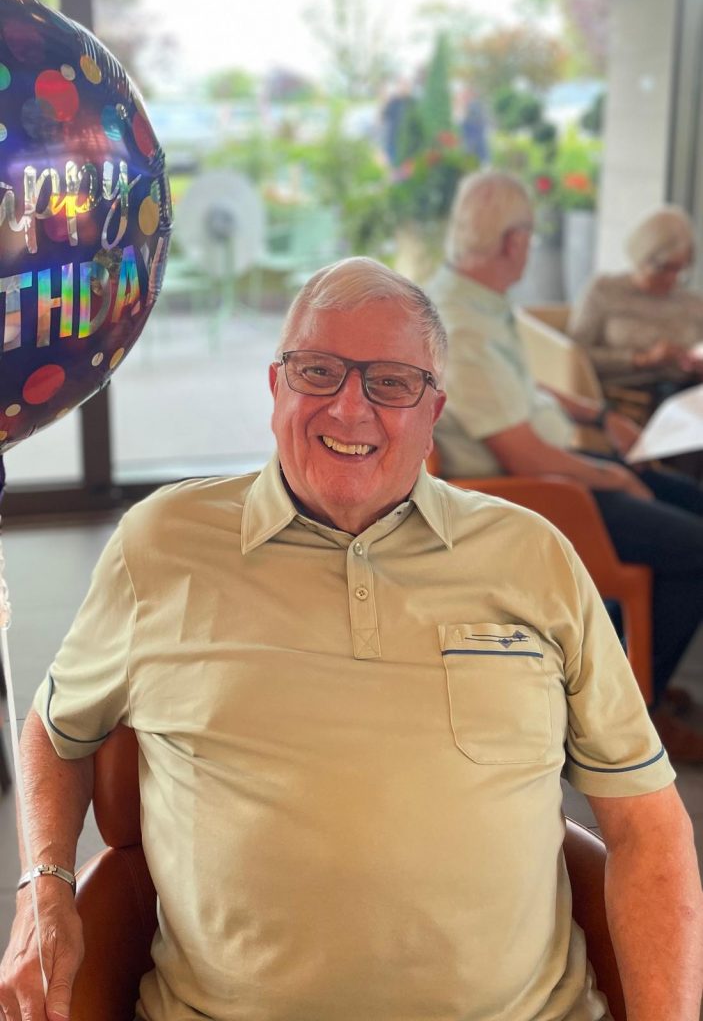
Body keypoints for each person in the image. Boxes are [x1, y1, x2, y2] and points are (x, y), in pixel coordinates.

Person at [1, 257, 702, 1021]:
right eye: (318, 371)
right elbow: (57, 730)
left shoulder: (531, 556)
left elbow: (646, 824)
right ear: (276, 387)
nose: (347, 408)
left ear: (434, 413)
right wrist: (43, 884)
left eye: (391, 383)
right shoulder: (161, 544)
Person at [426, 170, 703, 763]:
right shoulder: (463, 323)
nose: (530, 246)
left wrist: (600, 415)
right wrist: (615, 476)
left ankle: (632, 670)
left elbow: (524, 389)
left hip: (555, 469)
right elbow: (522, 453)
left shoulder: (475, 299)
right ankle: (630, 711)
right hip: (531, 491)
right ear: (512, 241)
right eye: (529, 235)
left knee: (687, 501)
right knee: (693, 548)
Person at [568, 205, 703, 395]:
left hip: (683, 393)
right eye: (664, 267)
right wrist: (642, 359)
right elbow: (575, 354)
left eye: (679, 269)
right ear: (643, 256)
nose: (672, 278)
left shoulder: (692, 302)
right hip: (627, 396)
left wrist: (696, 364)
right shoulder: (604, 291)